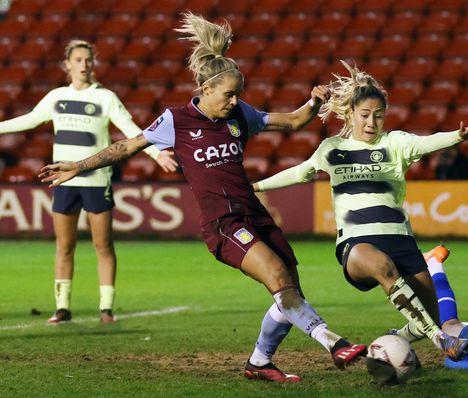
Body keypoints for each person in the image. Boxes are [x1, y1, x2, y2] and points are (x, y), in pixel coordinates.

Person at [40, 13, 366, 383]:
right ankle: (334, 342)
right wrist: (78, 166)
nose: (235, 100)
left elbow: (290, 122)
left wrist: (312, 103)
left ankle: (260, 362)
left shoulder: (239, 114)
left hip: (254, 213)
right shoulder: (175, 121)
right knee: (276, 276)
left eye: (238, 94)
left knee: (290, 288)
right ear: (206, 89)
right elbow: (125, 146)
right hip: (223, 224)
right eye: (229, 94)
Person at [252, 61, 468, 362]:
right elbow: (301, 172)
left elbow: (428, 142)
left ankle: (399, 338)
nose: (371, 122)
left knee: (429, 312)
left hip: (399, 239)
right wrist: (256, 186)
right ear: (350, 113)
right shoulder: (332, 148)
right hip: (356, 243)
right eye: (365, 115)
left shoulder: (396, 143)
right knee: (383, 268)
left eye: (378, 116)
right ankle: (440, 339)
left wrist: (458, 137)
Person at [0, 39, 178, 324]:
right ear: (67, 65)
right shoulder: (57, 96)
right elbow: (30, 120)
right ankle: (62, 308)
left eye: (88, 60)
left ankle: (106, 308)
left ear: (92, 64)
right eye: (78, 60)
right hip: (64, 181)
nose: (84, 64)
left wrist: (157, 155)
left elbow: (130, 129)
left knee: (103, 245)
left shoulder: (105, 97)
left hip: (96, 179)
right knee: (64, 245)